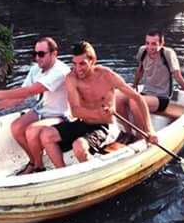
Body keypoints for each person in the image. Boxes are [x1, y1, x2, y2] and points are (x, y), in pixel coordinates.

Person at [37, 40, 158, 169]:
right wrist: (96, 113)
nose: (78, 69)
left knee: (79, 146)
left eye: (82, 64)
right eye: (75, 64)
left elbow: (138, 98)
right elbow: (75, 111)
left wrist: (150, 130)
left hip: (106, 127)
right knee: (46, 135)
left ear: (93, 61)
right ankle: (62, 173)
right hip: (84, 123)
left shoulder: (107, 75)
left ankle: (93, 174)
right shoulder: (71, 78)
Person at [0, 37, 70, 175]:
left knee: (31, 131)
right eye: (35, 54)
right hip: (41, 111)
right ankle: (35, 163)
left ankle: (39, 168)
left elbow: (31, 91)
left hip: (60, 115)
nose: (37, 58)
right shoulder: (35, 70)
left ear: (54, 54)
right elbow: (20, 97)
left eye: (41, 54)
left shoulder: (60, 71)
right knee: (16, 127)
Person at [116, 30, 184, 132]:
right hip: (146, 93)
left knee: (134, 102)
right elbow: (140, 69)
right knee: (117, 96)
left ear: (162, 44)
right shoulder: (142, 51)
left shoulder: (168, 54)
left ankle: (141, 135)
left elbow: (178, 77)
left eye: (154, 44)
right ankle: (128, 132)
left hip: (161, 98)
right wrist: (134, 85)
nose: (149, 47)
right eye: (147, 43)